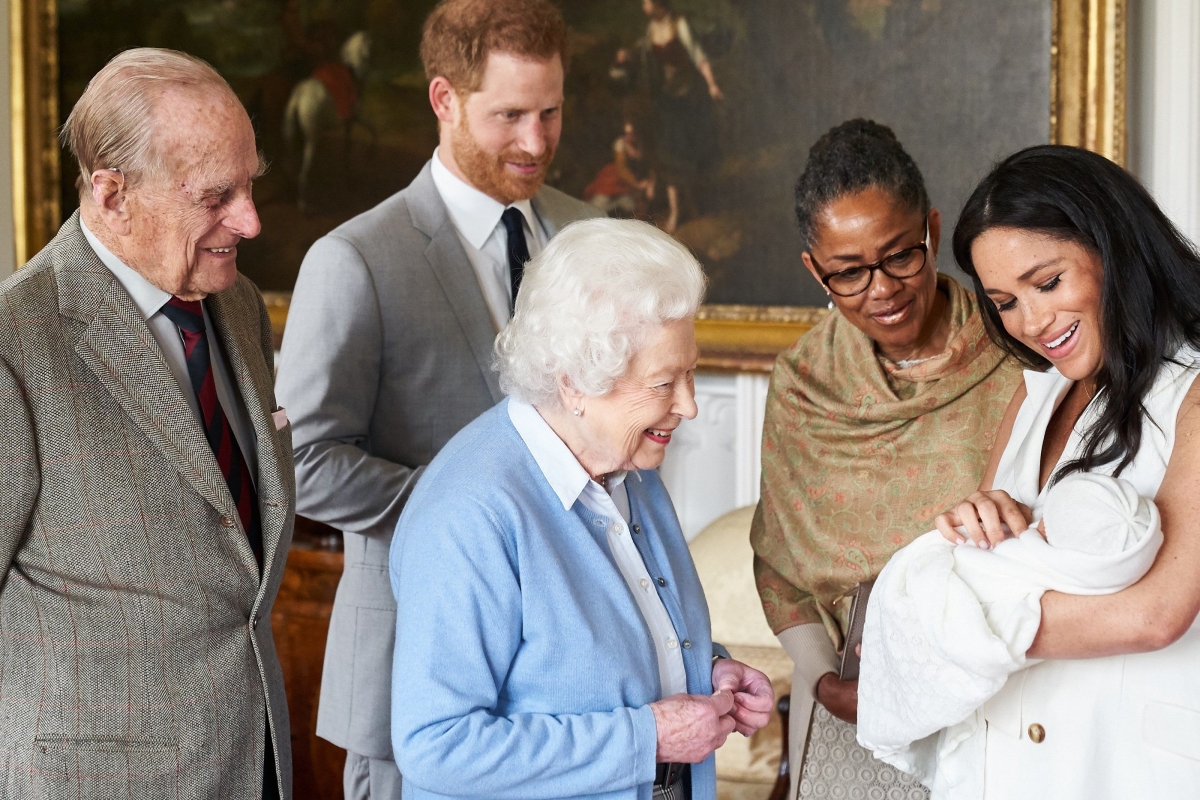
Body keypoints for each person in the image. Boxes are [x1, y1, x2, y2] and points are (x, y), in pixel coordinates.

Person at [274, 0, 601, 796]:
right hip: (412, 672)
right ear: (444, 100)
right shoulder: (354, 259)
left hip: (573, 684)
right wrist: (475, 510)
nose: (535, 141)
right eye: (510, 115)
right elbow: (302, 461)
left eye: (551, 112)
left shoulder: (592, 234)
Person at [389, 218, 774, 800]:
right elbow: (437, 745)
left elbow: (590, 663)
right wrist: (646, 739)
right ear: (574, 382)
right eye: (665, 382)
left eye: (690, 373)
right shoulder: (470, 513)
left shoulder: (628, 464)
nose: (689, 406)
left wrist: (708, 672)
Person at [0, 48, 293, 797]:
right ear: (112, 193)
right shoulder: (16, 343)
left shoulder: (238, 306)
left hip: (254, 762)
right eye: (216, 195)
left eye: (250, 184)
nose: (250, 220)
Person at [749, 119, 1023, 799]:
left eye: (901, 255)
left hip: (1006, 682)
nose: (883, 289)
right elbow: (780, 566)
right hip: (856, 695)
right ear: (815, 270)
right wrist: (824, 682)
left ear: (931, 229)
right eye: (848, 272)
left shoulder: (1018, 352)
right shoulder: (804, 385)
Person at [918, 144, 1200, 799]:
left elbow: (1158, 614)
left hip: (1124, 765)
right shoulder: (1033, 394)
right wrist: (971, 525)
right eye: (1005, 301)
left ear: (1114, 247)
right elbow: (980, 558)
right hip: (1006, 760)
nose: (1034, 322)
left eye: (1047, 282)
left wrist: (952, 616)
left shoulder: (1191, 392)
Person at [858, 473, 1161, 797]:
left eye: (1045, 524)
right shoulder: (1105, 571)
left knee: (925, 593)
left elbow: (974, 632)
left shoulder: (1034, 569)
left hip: (1053, 735)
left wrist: (904, 633)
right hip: (998, 735)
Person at [612, 0, 724, 233]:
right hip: (665, 101)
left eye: (647, 1)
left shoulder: (679, 24)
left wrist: (712, 84)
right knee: (668, 155)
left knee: (685, 154)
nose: (644, 5)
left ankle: (694, 206)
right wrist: (627, 54)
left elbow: (698, 55)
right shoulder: (651, 29)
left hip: (688, 99)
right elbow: (642, 50)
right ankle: (676, 211)